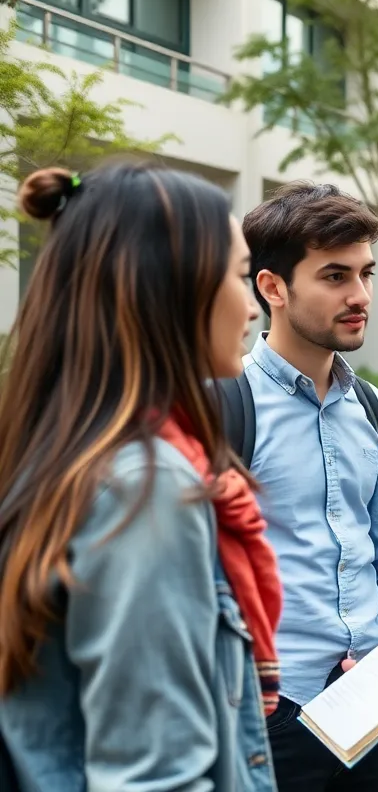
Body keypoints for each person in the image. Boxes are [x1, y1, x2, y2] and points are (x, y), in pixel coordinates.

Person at [0, 163, 274, 789]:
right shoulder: (146, 489)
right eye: (237, 275)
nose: (253, 304)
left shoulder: (67, 457)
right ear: (172, 291)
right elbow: (155, 775)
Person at [239, 181, 378, 790]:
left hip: (364, 711)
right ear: (273, 286)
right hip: (264, 714)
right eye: (334, 276)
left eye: (366, 274)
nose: (359, 296)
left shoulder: (376, 412)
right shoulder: (226, 404)